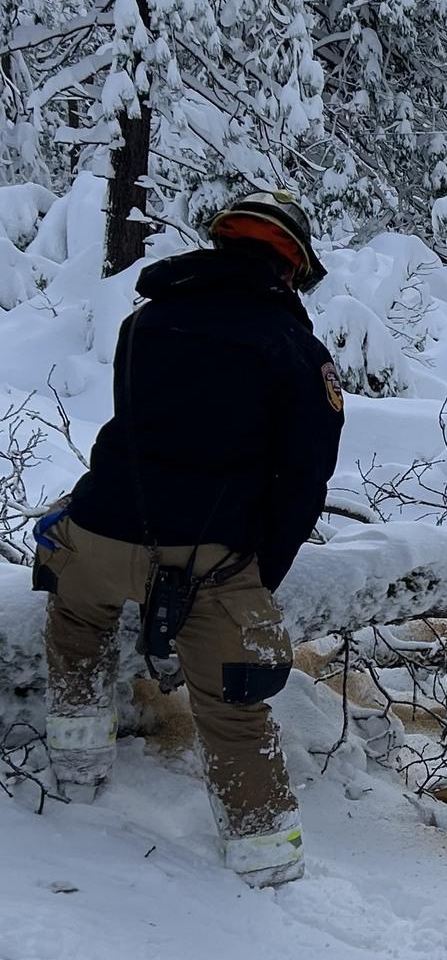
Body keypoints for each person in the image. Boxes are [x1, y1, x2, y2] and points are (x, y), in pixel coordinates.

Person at [33, 190, 345, 888]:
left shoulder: (146, 321)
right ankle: (267, 865)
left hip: (96, 531)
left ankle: (77, 777)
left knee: (77, 628)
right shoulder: (296, 350)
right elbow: (302, 483)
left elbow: (132, 425)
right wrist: (256, 573)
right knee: (236, 713)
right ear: (291, 268)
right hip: (207, 560)